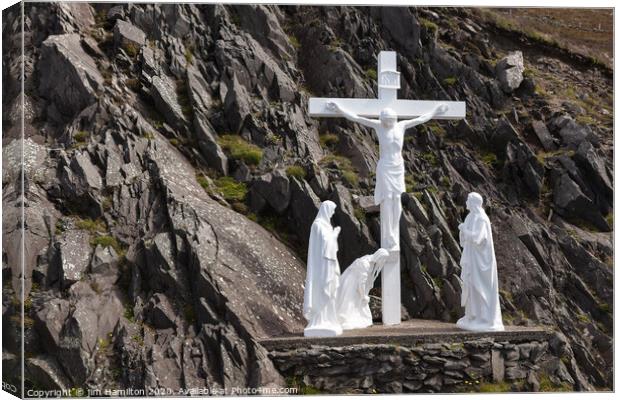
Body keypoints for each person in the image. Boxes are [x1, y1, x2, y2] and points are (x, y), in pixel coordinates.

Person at [326, 102, 448, 251]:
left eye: (390, 120)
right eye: (386, 121)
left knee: (397, 200)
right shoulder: (378, 126)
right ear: (382, 119)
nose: (388, 123)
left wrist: (436, 111)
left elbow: (421, 119)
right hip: (385, 167)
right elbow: (356, 118)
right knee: (387, 199)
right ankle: (389, 232)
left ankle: (393, 231)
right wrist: (339, 109)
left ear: (394, 119)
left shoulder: (401, 126)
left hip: (397, 168)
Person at [456, 192, 504, 332]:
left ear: (474, 203)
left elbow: (478, 238)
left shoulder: (482, 219)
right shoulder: (471, 216)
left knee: (479, 286)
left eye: (468, 200)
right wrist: (463, 232)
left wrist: (464, 229)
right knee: (471, 285)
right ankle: (472, 316)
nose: (466, 203)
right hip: (472, 257)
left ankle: (483, 318)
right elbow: (466, 240)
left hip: (481, 261)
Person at [303, 200, 343, 337]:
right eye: (331, 210)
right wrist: (335, 234)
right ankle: (320, 319)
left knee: (331, 291)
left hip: (330, 264)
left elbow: (331, 248)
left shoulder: (326, 226)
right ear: (326, 210)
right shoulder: (318, 226)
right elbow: (325, 246)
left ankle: (329, 319)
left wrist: (333, 234)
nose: (332, 214)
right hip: (322, 266)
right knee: (323, 291)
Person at [336, 249, 390, 330]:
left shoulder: (371, 261)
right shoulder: (365, 264)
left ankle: (365, 319)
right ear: (378, 256)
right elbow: (361, 282)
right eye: (383, 258)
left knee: (360, 303)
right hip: (353, 284)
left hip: (359, 284)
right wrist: (363, 295)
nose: (383, 261)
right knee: (351, 302)